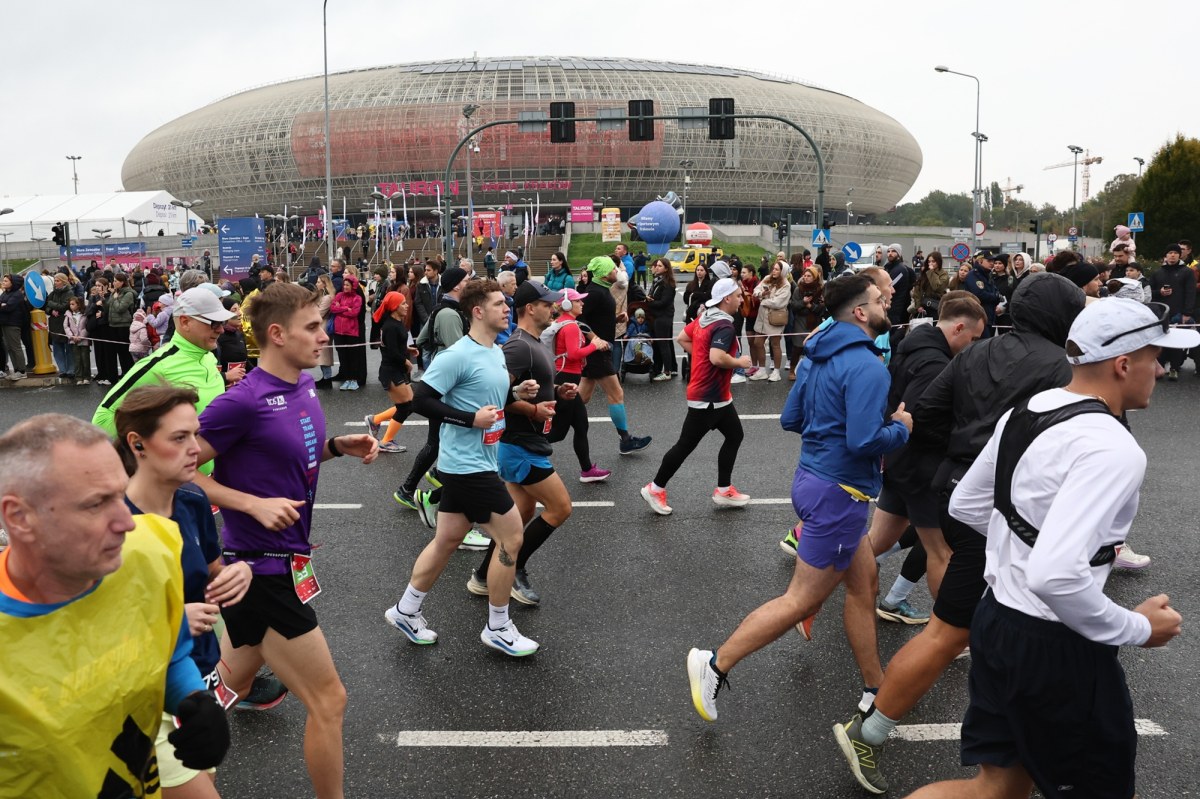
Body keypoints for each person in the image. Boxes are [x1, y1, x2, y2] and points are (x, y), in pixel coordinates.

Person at [907, 298, 1192, 799]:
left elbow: (967, 504)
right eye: (1156, 356)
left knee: (996, 788)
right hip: (1056, 647)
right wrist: (1140, 628)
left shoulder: (1028, 410)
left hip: (996, 618)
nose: (1162, 369)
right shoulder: (1113, 447)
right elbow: (1054, 576)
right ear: (1124, 364)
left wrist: (1023, 549)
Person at [832, 273, 1086, 795]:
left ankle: (1013, 746)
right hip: (1014, 507)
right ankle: (870, 731)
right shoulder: (1062, 368)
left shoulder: (975, 353)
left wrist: (964, 447)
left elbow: (926, 412)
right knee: (953, 631)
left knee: (985, 624)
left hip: (957, 489)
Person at [687, 275, 910, 723]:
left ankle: (875, 687)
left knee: (864, 586)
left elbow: (791, 418)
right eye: (878, 299)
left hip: (813, 481)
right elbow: (865, 440)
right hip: (840, 495)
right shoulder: (868, 366)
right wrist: (901, 427)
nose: (886, 302)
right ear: (860, 312)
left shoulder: (814, 353)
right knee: (801, 601)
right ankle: (715, 663)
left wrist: (828, 426)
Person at [194, 282, 379, 799]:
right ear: (276, 334)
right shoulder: (242, 402)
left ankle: (164, 758)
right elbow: (174, 469)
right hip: (261, 569)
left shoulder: (302, 386)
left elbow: (287, 451)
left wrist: (336, 446)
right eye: (312, 327)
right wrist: (249, 504)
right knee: (329, 700)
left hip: (282, 562)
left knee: (226, 687)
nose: (324, 336)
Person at [0, 414, 229, 797]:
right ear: (20, 517)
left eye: (121, 494)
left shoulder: (150, 551)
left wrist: (193, 699)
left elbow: (167, 649)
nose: (127, 521)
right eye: (96, 504)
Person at [385, 279, 544, 656]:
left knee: (447, 539)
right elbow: (420, 400)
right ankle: (499, 626)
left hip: (479, 460)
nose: (507, 308)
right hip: (467, 465)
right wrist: (469, 419)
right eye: (498, 304)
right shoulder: (456, 355)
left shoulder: (496, 351)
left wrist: (516, 394)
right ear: (477, 311)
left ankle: (406, 610)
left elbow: (488, 395)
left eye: (506, 303)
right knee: (512, 537)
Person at [117, 385, 254, 799]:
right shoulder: (113, 523)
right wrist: (173, 620)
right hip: (143, 695)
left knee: (204, 779)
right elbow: (85, 622)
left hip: (199, 679)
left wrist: (237, 574)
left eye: (195, 434)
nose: (195, 448)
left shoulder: (192, 499)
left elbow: (211, 571)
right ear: (138, 444)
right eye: (179, 438)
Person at [863, 293, 987, 624]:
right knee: (941, 552)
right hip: (922, 469)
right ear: (958, 328)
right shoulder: (936, 364)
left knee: (873, 545)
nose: (974, 346)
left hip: (899, 461)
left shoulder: (912, 345)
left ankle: (816, 592)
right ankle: (951, 633)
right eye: (973, 338)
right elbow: (917, 418)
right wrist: (957, 441)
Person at [468, 280, 579, 606]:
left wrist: (556, 391)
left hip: (526, 442)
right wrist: (533, 410)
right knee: (560, 508)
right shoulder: (518, 347)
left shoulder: (535, 342)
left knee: (520, 513)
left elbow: (532, 386)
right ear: (530, 308)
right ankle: (514, 569)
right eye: (546, 304)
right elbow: (494, 394)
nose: (553, 308)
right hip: (519, 445)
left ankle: (482, 577)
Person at [92, 287, 245, 472]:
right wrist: (152, 458)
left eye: (222, 322)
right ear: (185, 322)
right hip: (178, 483)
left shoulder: (208, 357)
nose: (220, 329)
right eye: (213, 323)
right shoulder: (159, 364)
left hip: (216, 476)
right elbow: (103, 418)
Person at [641, 277, 752, 515]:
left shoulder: (705, 317)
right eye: (738, 296)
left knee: (735, 435)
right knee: (685, 446)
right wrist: (740, 362)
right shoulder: (724, 326)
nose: (741, 299)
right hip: (708, 397)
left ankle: (724, 490)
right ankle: (655, 488)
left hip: (718, 396)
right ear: (727, 299)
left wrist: (701, 356)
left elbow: (682, 338)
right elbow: (717, 358)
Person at [576, 256, 653, 454]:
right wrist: (595, 339)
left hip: (599, 350)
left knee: (581, 397)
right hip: (597, 351)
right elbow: (579, 320)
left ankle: (547, 422)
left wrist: (615, 318)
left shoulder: (602, 290)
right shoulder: (594, 292)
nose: (615, 272)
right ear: (603, 274)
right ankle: (625, 440)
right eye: (612, 270)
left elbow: (596, 317)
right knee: (616, 393)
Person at [547, 287, 612, 483]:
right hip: (566, 380)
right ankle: (517, 450)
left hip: (564, 377)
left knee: (581, 425)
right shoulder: (571, 326)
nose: (582, 303)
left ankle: (587, 470)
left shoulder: (562, 323)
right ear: (567, 304)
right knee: (558, 432)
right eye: (578, 301)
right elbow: (574, 354)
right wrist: (594, 345)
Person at [364, 291, 415, 453]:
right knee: (405, 407)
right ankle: (386, 441)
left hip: (397, 370)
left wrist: (407, 349)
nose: (407, 306)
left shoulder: (397, 322)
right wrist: (406, 361)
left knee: (410, 404)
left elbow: (394, 346)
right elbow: (392, 352)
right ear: (394, 307)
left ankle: (375, 420)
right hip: (391, 371)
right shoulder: (390, 326)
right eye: (403, 303)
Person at [1148, 243, 1195, 380]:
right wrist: (1160, 292)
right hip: (1160, 312)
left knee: (1176, 341)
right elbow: (1149, 292)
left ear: (1180, 255)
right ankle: (1160, 367)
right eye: (1170, 253)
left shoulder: (1187, 272)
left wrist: (1187, 313)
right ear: (1165, 255)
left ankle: (1174, 368)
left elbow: (1190, 293)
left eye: (1175, 253)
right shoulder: (1158, 272)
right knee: (1161, 340)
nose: (1172, 255)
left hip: (1178, 312)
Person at [753, 259, 791, 381]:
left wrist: (763, 301)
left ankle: (776, 371)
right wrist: (762, 294)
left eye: (777, 269)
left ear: (782, 271)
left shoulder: (786, 285)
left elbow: (778, 302)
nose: (773, 271)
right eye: (773, 268)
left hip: (775, 317)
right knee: (757, 342)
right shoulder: (767, 278)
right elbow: (756, 290)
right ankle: (762, 370)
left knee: (775, 344)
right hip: (762, 316)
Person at [330, 274, 366, 390]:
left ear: (353, 286)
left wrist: (340, 309)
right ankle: (347, 379)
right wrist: (346, 308)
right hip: (338, 331)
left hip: (351, 331)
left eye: (347, 285)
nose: (345, 287)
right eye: (344, 285)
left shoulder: (357, 298)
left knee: (353, 356)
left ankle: (354, 380)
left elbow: (354, 313)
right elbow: (333, 308)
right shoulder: (339, 295)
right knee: (342, 356)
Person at [646, 256, 678, 380]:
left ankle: (668, 371)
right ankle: (659, 368)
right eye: (657, 265)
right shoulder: (657, 281)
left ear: (666, 269)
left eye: (660, 266)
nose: (657, 267)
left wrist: (650, 303)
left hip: (664, 317)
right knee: (658, 344)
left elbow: (664, 302)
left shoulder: (668, 283)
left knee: (664, 344)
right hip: (656, 316)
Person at [0, 274, 28, 379]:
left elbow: (8, 307)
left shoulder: (17, 294)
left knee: (15, 347)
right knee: (9, 348)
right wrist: (3, 305)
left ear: (13, 283)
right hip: (4, 323)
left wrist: (4, 305)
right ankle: (16, 370)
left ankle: (22, 371)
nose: (3, 282)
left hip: (13, 324)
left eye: (6, 281)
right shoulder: (5, 293)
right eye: (3, 280)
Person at [911, 250, 949, 318]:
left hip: (936, 306)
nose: (930, 264)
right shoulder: (925, 273)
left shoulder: (943, 274)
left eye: (933, 261)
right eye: (929, 261)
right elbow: (917, 290)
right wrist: (918, 306)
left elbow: (937, 287)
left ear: (938, 262)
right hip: (924, 305)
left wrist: (931, 272)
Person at [65, 295, 91, 384]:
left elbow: (87, 326)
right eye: (70, 304)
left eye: (73, 304)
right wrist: (71, 336)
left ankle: (87, 377)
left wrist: (81, 336)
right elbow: (66, 326)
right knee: (77, 359)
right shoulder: (68, 315)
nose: (71, 306)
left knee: (85, 359)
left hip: (84, 340)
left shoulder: (84, 315)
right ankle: (79, 377)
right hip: (74, 340)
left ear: (78, 305)